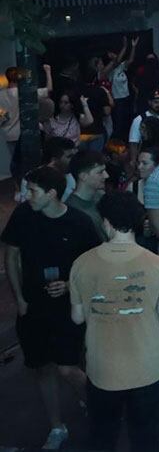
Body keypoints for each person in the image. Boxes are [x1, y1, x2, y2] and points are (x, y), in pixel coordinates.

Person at [2, 166, 99, 449]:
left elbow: (92, 265)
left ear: (52, 194)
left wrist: (70, 285)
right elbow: (11, 256)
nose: (24, 196)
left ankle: (97, 404)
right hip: (32, 306)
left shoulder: (79, 223)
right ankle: (57, 426)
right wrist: (19, 298)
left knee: (68, 367)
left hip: (67, 306)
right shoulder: (23, 216)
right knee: (41, 366)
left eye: (31, 190)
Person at [69, 192, 159, 452]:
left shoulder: (82, 263)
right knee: (146, 438)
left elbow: (77, 316)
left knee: (103, 436)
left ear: (106, 222)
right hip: (148, 367)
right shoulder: (158, 264)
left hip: (102, 368)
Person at [65, 150, 111, 241]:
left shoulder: (101, 196)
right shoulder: (73, 210)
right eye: (100, 172)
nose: (106, 175)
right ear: (83, 176)